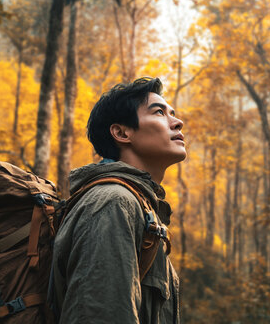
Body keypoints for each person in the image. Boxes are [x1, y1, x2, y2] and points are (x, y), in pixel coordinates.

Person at [51, 77, 185, 323]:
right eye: (159, 113)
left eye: (173, 113)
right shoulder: (113, 203)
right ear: (122, 133)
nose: (178, 122)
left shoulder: (138, 207)